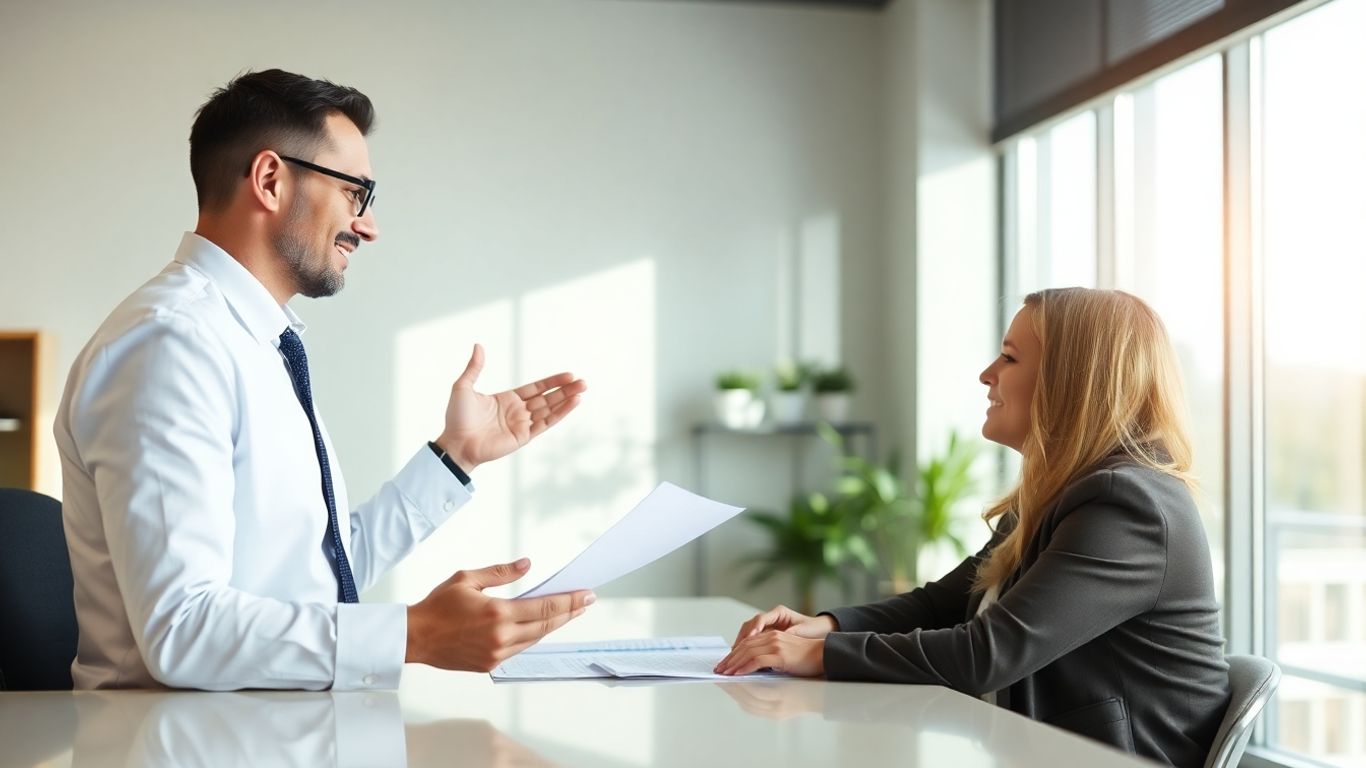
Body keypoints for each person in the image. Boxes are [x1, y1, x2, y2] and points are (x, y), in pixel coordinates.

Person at [53, 69, 594, 691]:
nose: (368, 226)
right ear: (270, 180)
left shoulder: (254, 340)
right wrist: (412, 634)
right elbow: (184, 628)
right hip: (183, 743)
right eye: (355, 193)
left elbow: (315, 578)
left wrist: (454, 457)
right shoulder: (171, 346)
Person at [716, 288, 1231, 767]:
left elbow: (989, 653)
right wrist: (827, 626)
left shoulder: (1126, 506)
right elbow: (943, 603)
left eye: (1009, 357)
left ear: (1071, 381)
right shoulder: (1063, 491)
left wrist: (823, 654)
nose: (988, 374)